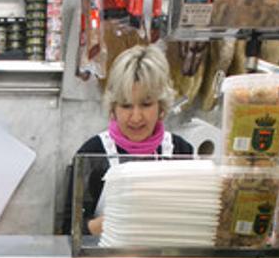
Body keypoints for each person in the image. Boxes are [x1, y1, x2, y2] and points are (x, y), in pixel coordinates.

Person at [62, 44, 194, 238]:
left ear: (161, 105)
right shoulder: (93, 153)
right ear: (113, 108)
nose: (136, 117)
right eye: (126, 106)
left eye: (146, 104)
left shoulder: (180, 151)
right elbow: (67, 231)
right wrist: (108, 224)